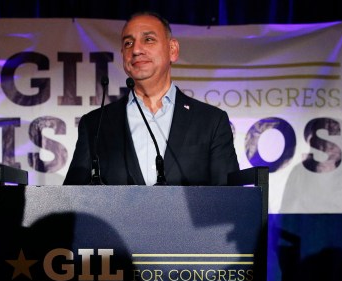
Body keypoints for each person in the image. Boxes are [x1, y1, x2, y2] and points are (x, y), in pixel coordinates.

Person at [63, 11, 239, 185]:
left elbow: (231, 200)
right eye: (128, 43)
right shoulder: (95, 124)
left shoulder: (211, 121)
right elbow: (70, 202)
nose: (136, 50)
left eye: (148, 39)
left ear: (173, 50)